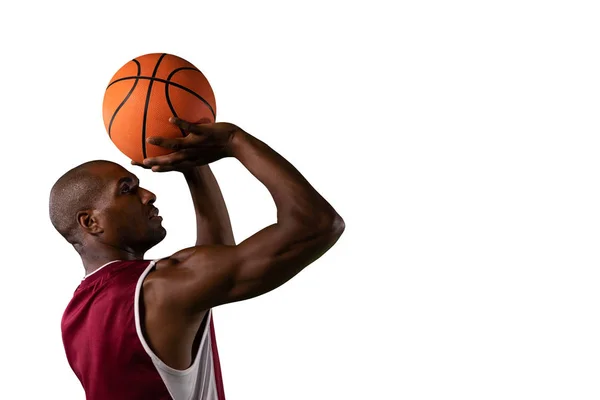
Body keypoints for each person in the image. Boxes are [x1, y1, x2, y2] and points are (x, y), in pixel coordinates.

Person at [50, 118, 345, 400]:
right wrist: (235, 140)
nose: (148, 194)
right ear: (90, 223)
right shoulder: (158, 289)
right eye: (127, 190)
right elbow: (316, 225)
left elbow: (214, 259)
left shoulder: (76, 316)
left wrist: (193, 164)